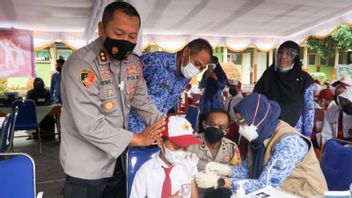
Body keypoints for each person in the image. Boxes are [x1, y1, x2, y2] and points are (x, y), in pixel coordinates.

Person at [60, 2, 166, 198]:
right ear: (102, 29)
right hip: (86, 169)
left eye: (132, 36)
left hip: (117, 161)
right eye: (119, 33)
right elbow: (89, 125)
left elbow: (143, 102)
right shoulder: (82, 66)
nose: (125, 40)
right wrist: (139, 139)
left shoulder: (132, 63)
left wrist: (166, 127)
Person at [195, 93, 327, 197]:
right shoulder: (258, 139)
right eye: (238, 122)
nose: (240, 128)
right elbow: (248, 170)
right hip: (278, 193)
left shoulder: (290, 143)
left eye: (243, 122)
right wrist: (224, 170)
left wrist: (219, 181)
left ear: (258, 119)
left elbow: (266, 185)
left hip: (302, 194)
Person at [128, 38, 212, 133]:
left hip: (154, 132)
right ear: (186, 52)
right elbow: (128, 88)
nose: (197, 70)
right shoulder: (154, 62)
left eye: (202, 68)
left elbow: (166, 105)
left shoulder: (185, 77)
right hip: (130, 129)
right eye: (197, 64)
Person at [253, 41, 314, 137]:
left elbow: (309, 108)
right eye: (281, 53)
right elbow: (256, 100)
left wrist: (307, 133)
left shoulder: (304, 79)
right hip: (269, 130)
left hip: (294, 132)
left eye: (289, 54)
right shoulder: (268, 75)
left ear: (295, 58)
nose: (283, 57)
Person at [130, 116, 201, 198]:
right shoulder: (145, 172)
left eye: (185, 148)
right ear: (160, 142)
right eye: (176, 147)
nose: (181, 153)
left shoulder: (189, 165)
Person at [188, 109, 241, 198]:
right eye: (212, 125)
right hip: (196, 194)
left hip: (222, 193)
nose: (215, 129)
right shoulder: (190, 145)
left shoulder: (231, 147)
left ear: (227, 131)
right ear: (204, 124)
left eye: (221, 127)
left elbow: (237, 175)